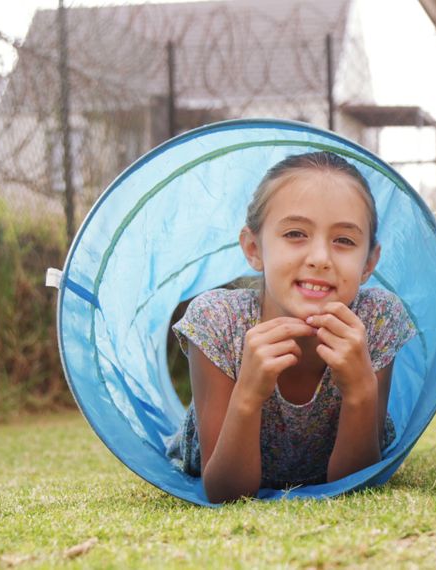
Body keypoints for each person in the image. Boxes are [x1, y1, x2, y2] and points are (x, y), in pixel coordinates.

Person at [166, 151, 416, 502]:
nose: (319, 258)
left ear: (368, 262)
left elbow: (353, 486)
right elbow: (224, 491)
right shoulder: (217, 321)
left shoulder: (374, 320)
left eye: (344, 240)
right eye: (296, 233)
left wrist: (360, 391)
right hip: (225, 464)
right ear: (254, 248)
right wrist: (249, 393)